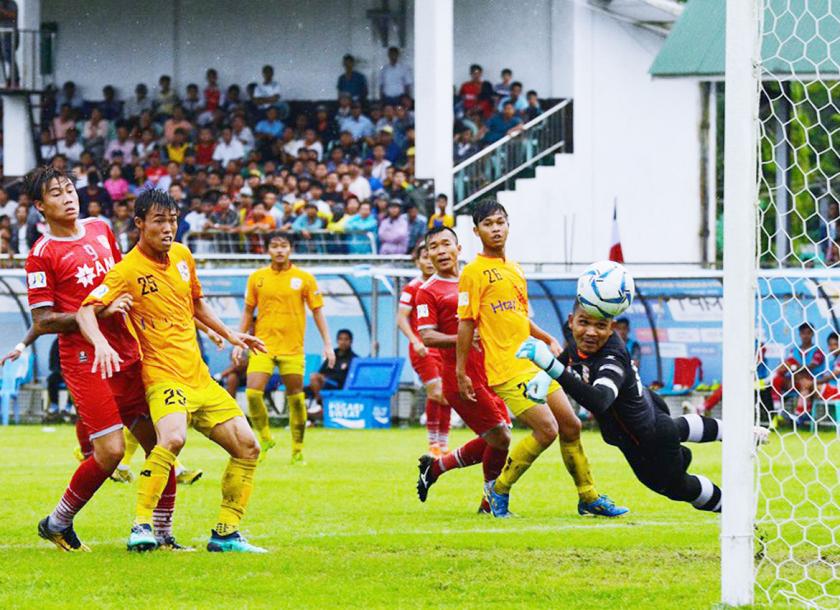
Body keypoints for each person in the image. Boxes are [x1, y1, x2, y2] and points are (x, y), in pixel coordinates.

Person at [77, 189, 267, 553]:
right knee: (173, 438)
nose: (168, 228)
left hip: (198, 376)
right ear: (139, 224)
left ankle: (225, 533)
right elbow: (87, 309)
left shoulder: (182, 256)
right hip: (162, 375)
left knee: (248, 446)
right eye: (159, 221)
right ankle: (141, 526)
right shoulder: (126, 270)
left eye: (173, 220)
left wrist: (229, 333)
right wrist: (99, 341)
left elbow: (195, 304)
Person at [22, 166, 183, 551]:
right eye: (57, 194)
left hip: (126, 350)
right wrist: (101, 312)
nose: (68, 197)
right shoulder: (40, 256)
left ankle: (162, 535)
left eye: (70, 190)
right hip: (85, 359)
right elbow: (43, 320)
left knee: (164, 444)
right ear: (40, 207)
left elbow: (121, 281)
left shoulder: (100, 228)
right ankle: (58, 522)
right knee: (110, 451)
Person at [457, 199, 627, 518]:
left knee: (571, 425)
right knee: (547, 430)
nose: (496, 229)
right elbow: (466, 322)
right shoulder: (472, 272)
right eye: (489, 224)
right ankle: (499, 491)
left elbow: (518, 316)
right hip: (506, 369)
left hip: (534, 364)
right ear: (476, 230)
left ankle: (588, 496)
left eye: (501, 222)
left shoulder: (515, 268)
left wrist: (545, 336)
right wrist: (461, 370)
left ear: (508, 225)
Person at [516, 305, 768, 514]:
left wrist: (551, 367)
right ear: (571, 321)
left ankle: (736, 513)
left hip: (648, 442)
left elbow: (600, 400)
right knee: (676, 428)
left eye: (600, 326)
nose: (590, 332)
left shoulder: (611, 358)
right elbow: (570, 356)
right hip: (650, 416)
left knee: (676, 486)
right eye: (584, 323)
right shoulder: (580, 346)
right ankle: (740, 434)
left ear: (611, 327)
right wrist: (546, 376)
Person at [414, 226, 511, 511]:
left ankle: (436, 470)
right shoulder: (427, 292)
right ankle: (491, 502)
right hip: (461, 376)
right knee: (501, 438)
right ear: (428, 255)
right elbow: (428, 336)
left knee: (498, 437)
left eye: (446, 244)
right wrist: (465, 338)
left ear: (459, 249)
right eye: (434, 247)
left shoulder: (475, 278)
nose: (441, 251)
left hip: (493, 371)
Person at [234, 234, 334, 464]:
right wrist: (238, 340)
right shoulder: (257, 278)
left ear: (291, 249)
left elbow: (318, 311)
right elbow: (248, 312)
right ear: (268, 250)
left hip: (292, 348)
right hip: (262, 346)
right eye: (274, 246)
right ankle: (265, 437)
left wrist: (328, 343)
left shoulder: (304, 278)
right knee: (252, 392)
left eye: (283, 246)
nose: (279, 250)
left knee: (296, 398)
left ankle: (297, 451)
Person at [397, 244, 450, 456]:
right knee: (435, 391)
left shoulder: (443, 285)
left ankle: (443, 443)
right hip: (422, 348)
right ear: (417, 261)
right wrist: (415, 340)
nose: (429, 261)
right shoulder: (413, 287)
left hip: (443, 347)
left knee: (447, 395)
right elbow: (401, 318)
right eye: (424, 257)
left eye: (431, 257)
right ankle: (432, 443)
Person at [771, 323, 826, 416]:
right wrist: (788, 367)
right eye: (803, 333)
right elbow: (788, 367)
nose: (806, 335)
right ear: (799, 334)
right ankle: (777, 410)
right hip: (795, 380)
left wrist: (793, 367)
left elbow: (809, 368)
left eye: (808, 333)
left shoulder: (817, 351)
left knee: (802, 380)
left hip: (812, 382)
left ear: (813, 334)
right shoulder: (794, 350)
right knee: (777, 379)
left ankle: (800, 416)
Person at [308, 329, 357, 405]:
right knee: (306, 383)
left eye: (346, 339)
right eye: (340, 339)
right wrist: (323, 378)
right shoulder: (332, 354)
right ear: (337, 341)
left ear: (351, 341)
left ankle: (320, 403)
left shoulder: (354, 358)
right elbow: (321, 371)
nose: (343, 342)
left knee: (314, 377)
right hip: (326, 382)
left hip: (339, 385)